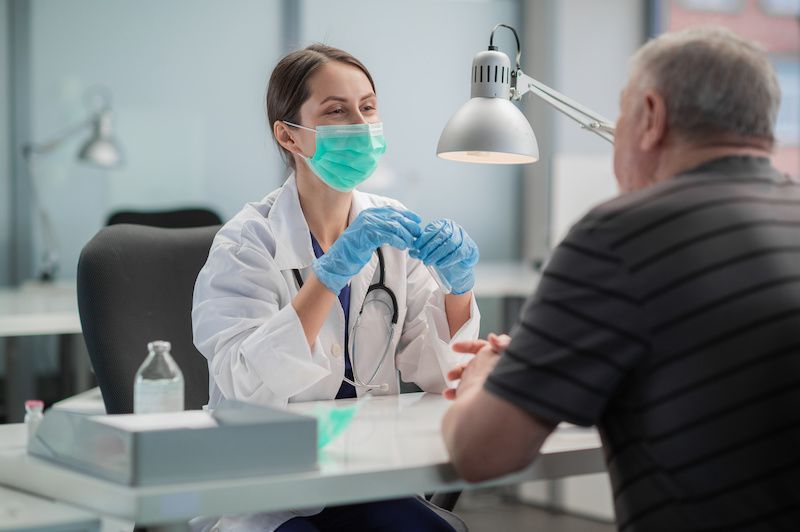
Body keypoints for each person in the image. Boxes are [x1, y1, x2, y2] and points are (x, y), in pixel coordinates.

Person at [442, 27, 800, 532]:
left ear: (650, 117)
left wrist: (486, 375)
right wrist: (538, 366)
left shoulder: (621, 235)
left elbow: (481, 453)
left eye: (623, 111)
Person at [191, 44, 479, 531]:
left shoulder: (389, 233)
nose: (361, 126)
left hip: (365, 477)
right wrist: (329, 275)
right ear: (289, 135)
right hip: (269, 487)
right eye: (337, 111)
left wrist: (459, 290)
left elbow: (440, 375)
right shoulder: (246, 244)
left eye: (368, 107)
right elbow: (245, 386)